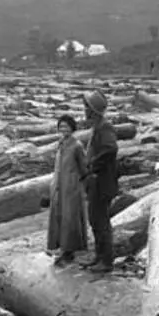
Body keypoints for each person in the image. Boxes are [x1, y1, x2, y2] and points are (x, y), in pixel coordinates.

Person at [80, 91, 118, 273]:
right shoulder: (98, 127)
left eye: (87, 106)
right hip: (96, 183)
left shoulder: (105, 128)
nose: (84, 110)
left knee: (101, 222)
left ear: (93, 110)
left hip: (103, 183)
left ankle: (107, 261)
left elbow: (111, 149)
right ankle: (99, 256)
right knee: (95, 221)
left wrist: (93, 166)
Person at [46, 114, 88, 265]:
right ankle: (61, 247)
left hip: (71, 185)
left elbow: (84, 167)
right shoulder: (61, 143)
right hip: (59, 184)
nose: (63, 129)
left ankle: (70, 250)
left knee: (70, 218)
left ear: (72, 128)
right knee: (59, 215)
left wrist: (80, 183)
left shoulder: (77, 146)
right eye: (61, 126)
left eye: (66, 126)